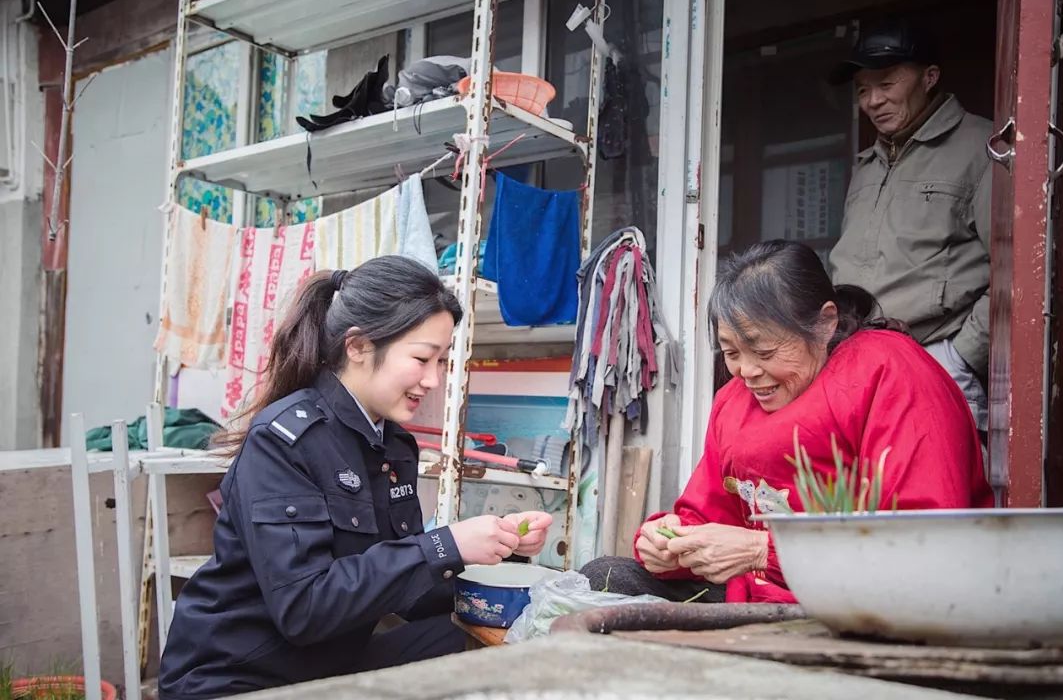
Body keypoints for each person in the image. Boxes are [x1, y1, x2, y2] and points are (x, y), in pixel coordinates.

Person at [158, 255, 552, 699]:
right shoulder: (284, 440)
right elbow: (303, 608)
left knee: (478, 643)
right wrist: (444, 545)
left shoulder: (392, 445)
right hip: (237, 677)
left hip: (322, 668)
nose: (434, 380)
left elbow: (405, 591)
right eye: (423, 358)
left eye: (442, 361)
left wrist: (498, 550)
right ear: (358, 346)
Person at [581, 240, 993, 604]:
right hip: (755, 594)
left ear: (825, 322)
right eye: (731, 352)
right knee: (603, 577)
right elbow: (705, 516)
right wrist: (667, 541)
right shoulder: (734, 401)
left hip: (856, 603)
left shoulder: (890, 371)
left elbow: (928, 545)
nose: (746, 371)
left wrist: (763, 550)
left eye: (763, 350)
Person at [827, 18, 992, 436]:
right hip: (857, 364)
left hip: (934, 358)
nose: (872, 101)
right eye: (863, 90)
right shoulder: (868, 165)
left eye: (886, 84)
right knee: (863, 496)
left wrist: (960, 355)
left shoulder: (982, 148)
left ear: (930, 77)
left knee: (934, 496)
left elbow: (1018, 273)